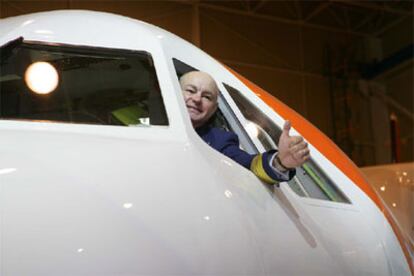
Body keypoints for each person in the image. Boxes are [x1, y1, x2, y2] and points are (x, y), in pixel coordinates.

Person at [180, 71, 310, 184]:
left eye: (207, 97)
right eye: (191, 91)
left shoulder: (220, 141)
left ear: (214, 108)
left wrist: (280, 162)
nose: (197, 99)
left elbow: (249, 165)